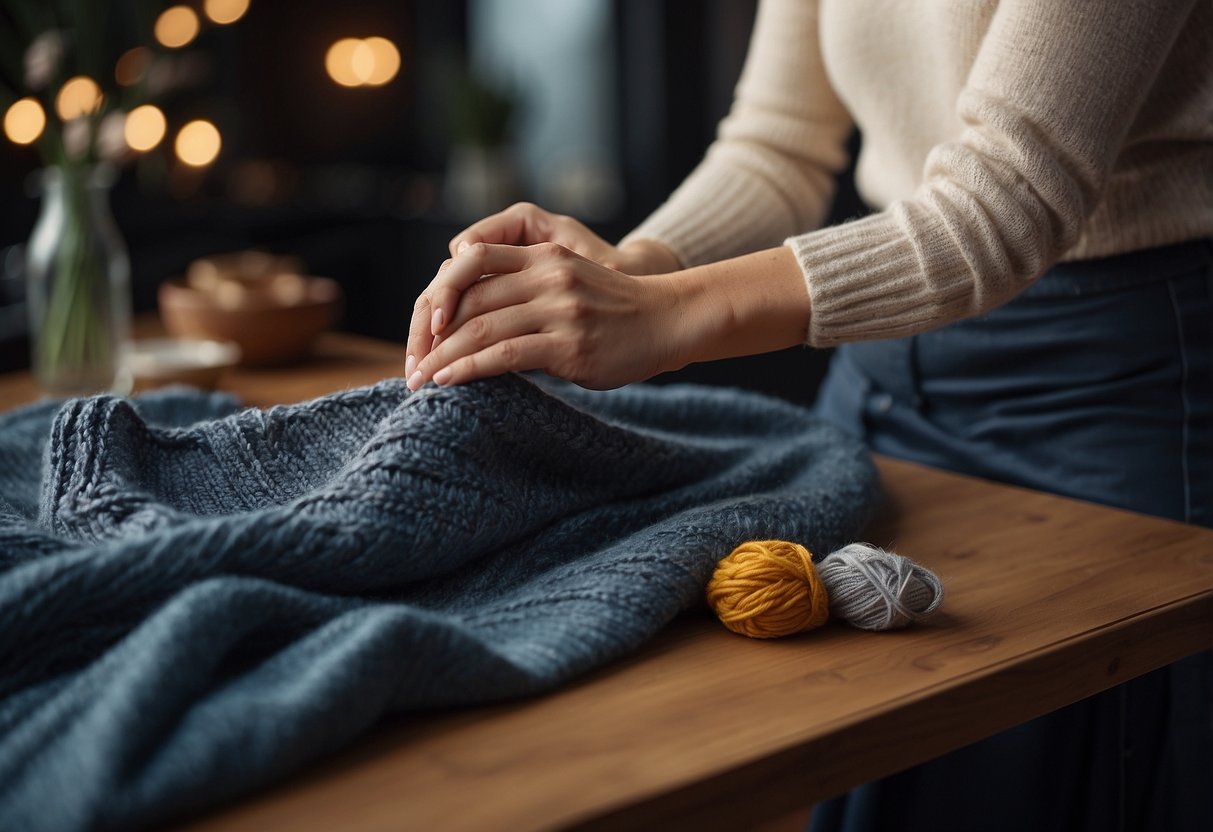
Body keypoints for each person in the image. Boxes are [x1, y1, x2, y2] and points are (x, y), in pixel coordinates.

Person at [406, 1, 1212, 829]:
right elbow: (776, 143)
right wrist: (637, 268)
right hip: (877, 374)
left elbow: (1000, 204)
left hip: (1113, 379)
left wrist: (660, 315)